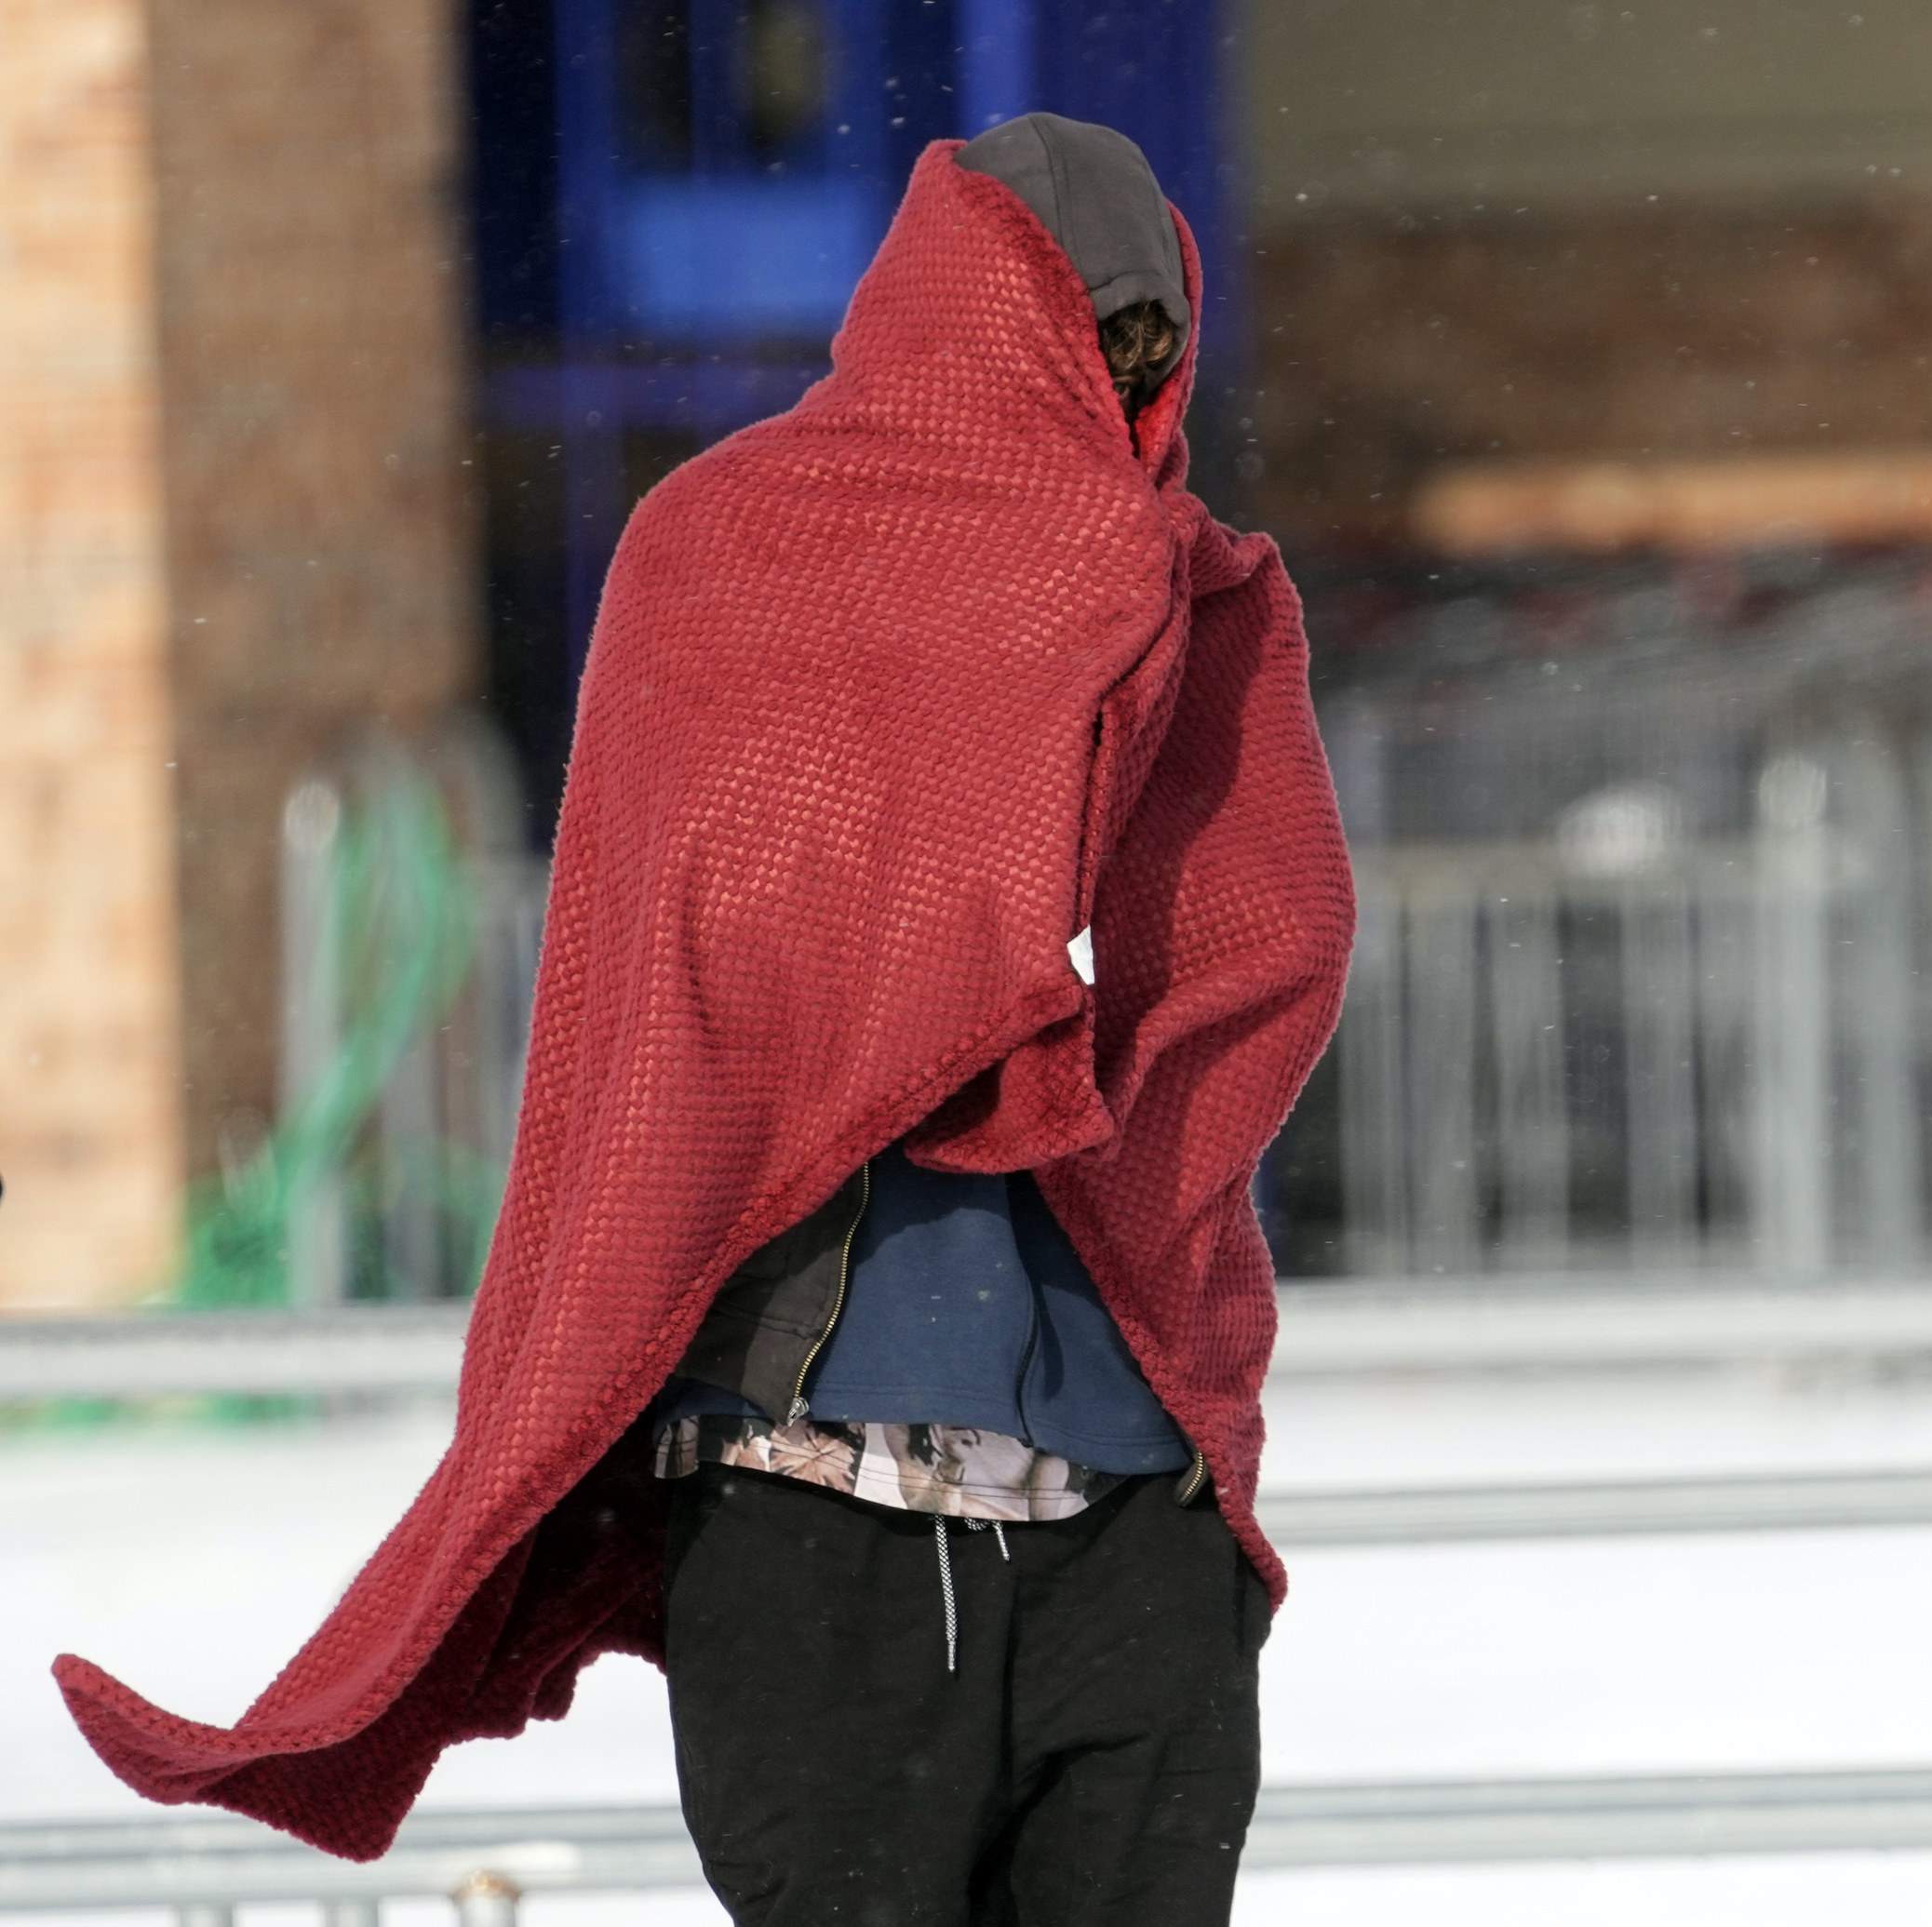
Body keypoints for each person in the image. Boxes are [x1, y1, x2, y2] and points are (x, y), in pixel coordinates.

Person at [59, 113, 1356, 1927]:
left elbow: (1263, 954)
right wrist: (965, 958)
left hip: (1133, 1518)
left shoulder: (1199, 600)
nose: (1125, 385)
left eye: (1152, 346)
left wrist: (1080, 966)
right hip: (809, 1511)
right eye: (1088, 337)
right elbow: (696, 963)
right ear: (973, 319)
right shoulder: (729, 555)